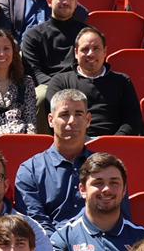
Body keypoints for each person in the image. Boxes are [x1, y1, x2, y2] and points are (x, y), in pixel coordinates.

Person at [37, 27, 144, 136]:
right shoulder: (60, 82)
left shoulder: (122, 81)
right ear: (76, 53)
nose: (90, 54)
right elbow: (58, 119)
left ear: (105, 52)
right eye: (85, 49)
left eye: (96, 48)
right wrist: (79, 142)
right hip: (72, 142)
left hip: (113, 143)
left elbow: (132, 121)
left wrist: (113, 142)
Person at [15, 87, 94, 232]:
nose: (72, 121)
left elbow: (116, 218)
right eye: (64, 114)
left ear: (88, 120)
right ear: (50, 120)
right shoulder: (30, 171)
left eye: (78, 114)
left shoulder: (107, 168)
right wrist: (62, 244)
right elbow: (36, 225)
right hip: (50, 244)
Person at [20, 0, 89, 86]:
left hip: (80, 86)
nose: (66, 2)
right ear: (49, 1)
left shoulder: (86, 35)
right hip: (47, 88)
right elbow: (34, 72)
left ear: (76, 3)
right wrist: (58, 87)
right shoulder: (33, 35)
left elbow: (92, 67)